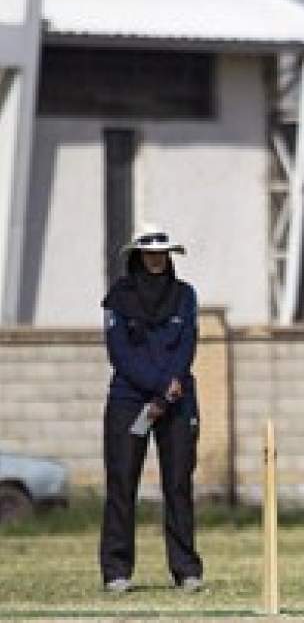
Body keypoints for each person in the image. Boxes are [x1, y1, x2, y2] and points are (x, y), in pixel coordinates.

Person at [99, 227, 203, 593]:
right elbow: (121, 355)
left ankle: (186, 570)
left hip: (178, 398)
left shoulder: (185, 295)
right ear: (138, 256)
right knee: (122, 483)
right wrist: (158, 389)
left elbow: (187, 344)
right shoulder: (118, 299)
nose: (156, 259)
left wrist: (171, 390)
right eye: (150, 253)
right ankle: (116, 571)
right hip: (130, 400)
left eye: (162, 253)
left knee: (178, 485)